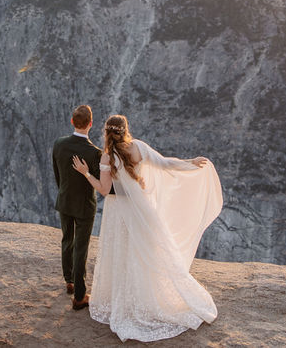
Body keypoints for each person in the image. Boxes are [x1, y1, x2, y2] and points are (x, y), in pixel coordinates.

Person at [72, 114, 222, 342]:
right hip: (142, 210)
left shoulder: (107, 156)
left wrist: (85, 173)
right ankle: (148, 298)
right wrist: (190, 163)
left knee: (122, 255)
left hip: (119, 214)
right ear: (125, 130)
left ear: (106, 132)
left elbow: (103, 190)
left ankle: (127, 301)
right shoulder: (139, 148)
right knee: (147, 254)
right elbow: (165, 163)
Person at [51, 104, 101, 310]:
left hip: (65, 200)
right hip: (84, 206)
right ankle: (80, 296)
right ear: (90, 124)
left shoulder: (59, 144)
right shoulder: (94, 153)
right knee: (81, 248)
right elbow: (98, 181)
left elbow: (57, 173)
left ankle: (69, 281)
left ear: (72, 122)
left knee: (66, 239)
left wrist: (64, 191)